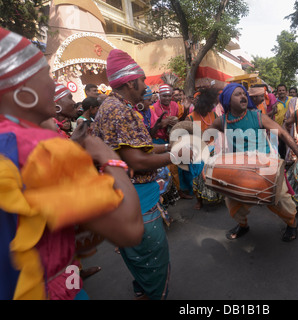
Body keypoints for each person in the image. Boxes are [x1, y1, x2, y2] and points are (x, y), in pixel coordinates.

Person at [0, 27, 143, 300]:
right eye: (45, 74)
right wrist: (109, 157)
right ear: (23, 95)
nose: (56, 86)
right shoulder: (41, 151)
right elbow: (130, 230)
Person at [91, 48, 190, 300]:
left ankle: (141, 288)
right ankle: (153, 292)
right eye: (143, 79)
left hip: (124, 196)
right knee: (152, 255)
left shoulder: (113, 106)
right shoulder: (120, 110)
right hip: (137, 199)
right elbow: (136, 159)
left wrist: (168, 147)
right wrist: (179, 156)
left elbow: (138, 147)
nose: (145, 85)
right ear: (131, 81)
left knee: (135, 252)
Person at [207, 83, 298, 242]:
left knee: (281, 201)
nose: (243, 96)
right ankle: (243, 226)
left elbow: (282, 134)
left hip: (266, 167)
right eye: (238, 94)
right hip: (238, 170)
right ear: (228, 100)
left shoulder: (257, 116)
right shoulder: (222, 121)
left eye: (244, 93)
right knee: (233, 204)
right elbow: (205, 137)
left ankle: (292, 224)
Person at [186, 88, 223, 209]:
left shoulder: (214, 115)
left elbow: (220, 131)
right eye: (209, 104)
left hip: (214, 150)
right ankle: (199, 200)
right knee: (197, 176)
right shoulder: (190, 117)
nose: (211, 107)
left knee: (216, 175)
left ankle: (218, 196)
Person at [272, 84, 293, 159]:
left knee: (289, 147)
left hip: (289, 129)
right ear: (277, 92)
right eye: (280, 90)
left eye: (283, 90)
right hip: (277, 129)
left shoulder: (292, 100)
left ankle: (288, 161)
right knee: (279, 149)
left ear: (286, 91)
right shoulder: (274, 102)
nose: (281, 92)